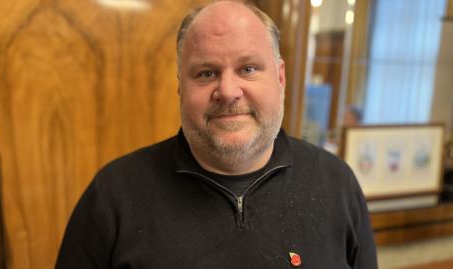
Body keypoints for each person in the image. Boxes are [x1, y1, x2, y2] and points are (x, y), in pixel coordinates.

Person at [56, 1, 378, 268]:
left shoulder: (337, 185)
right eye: (206, 73)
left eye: (248, 68)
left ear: (280, 78)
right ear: (181, 85)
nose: (227, 91)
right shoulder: (112, 198)